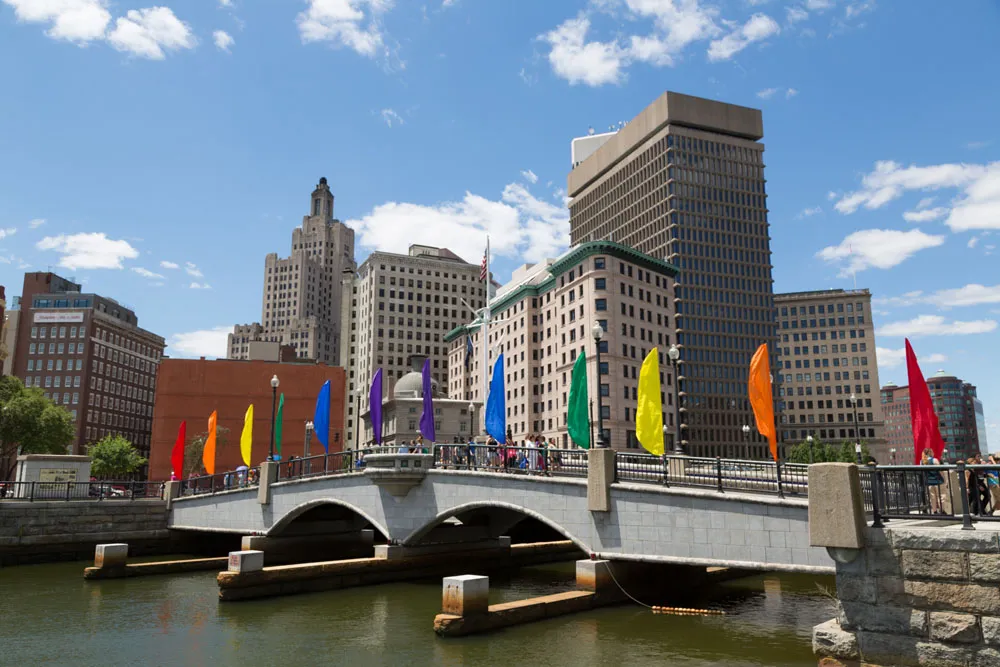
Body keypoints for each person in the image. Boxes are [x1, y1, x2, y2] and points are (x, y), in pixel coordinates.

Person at [921, 448, 944, 514]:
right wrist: (944, 479)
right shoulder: (934, 460)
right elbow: (940, 470)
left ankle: (935, 511)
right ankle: (942, 511)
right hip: (938, 481)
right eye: (933, 452)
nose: (933, 453)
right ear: (930, 453)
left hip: (929, 482)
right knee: (941, 496)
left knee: (932, 498)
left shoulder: (922, 462)